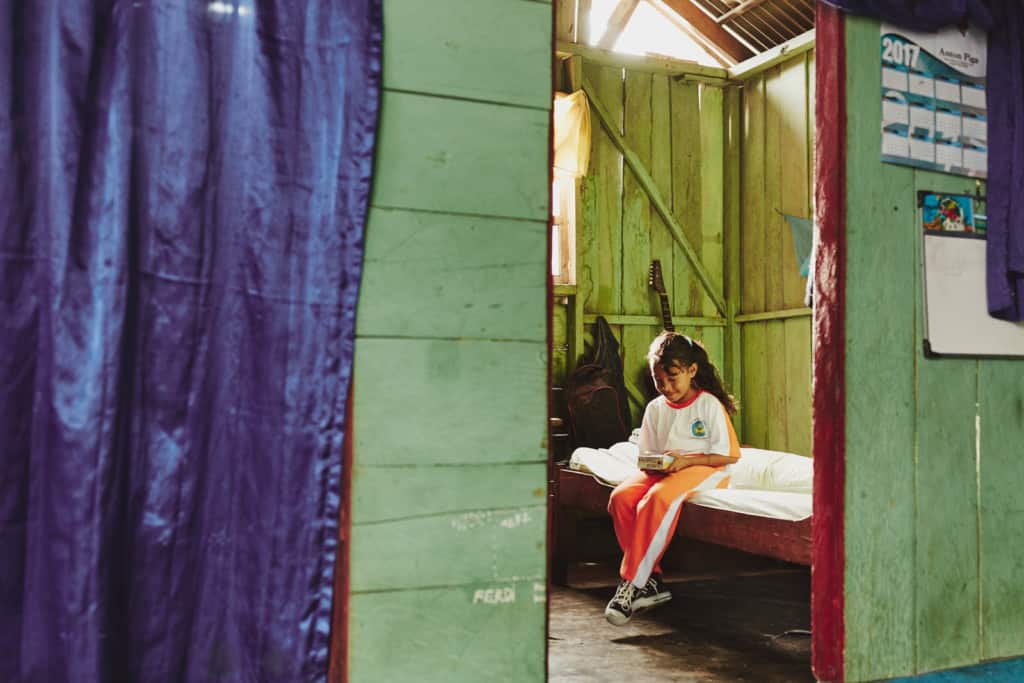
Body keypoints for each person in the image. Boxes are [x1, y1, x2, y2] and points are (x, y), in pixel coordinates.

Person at [604, 331, 740, 625]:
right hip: (665, 469)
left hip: (707, 469)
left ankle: (631, 584)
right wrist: (657, 465)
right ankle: (652, 581)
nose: (665, 387)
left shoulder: (708, 405)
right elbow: (647, 453)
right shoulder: (655, 409)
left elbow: (728, 455)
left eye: (673, 378)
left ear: (692, 371)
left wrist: (686, 461)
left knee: (657, 499)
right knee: (621, 498)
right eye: (659, 380)